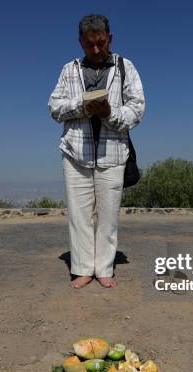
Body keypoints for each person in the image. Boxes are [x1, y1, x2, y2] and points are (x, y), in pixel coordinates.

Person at [48, 15, 145, 289]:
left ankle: (104, 268)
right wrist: (82, 106)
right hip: (75, 152)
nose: (96, 50)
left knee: (108, 215)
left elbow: (137, 110)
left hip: (113, 153)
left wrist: (109, 113)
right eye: (89, 44)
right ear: (80, 42)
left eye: (101, 43)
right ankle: (82, 269)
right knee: (79, 215)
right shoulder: (70, 69)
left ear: (110, 39)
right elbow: (54, 107)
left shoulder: (126, 67)